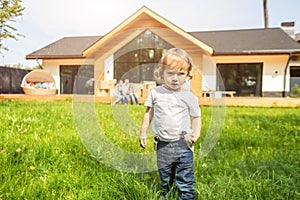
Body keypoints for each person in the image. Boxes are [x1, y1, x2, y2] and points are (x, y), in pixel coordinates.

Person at [139, 48, 201, 200]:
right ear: (161, 74)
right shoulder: (156, 93)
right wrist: (143, 132)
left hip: (183, 144)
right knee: (166, 179)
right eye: (170, 73)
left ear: (187, 75)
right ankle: (167, 195)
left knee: (185, 181)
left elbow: (196, 116)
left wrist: (196, 132)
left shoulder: (188, 96)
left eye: (180, 74)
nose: (175, 78)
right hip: (163, 145)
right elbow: (149, 113)